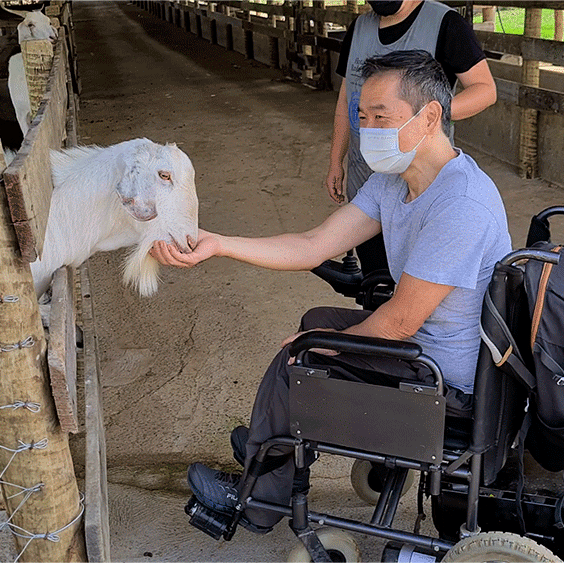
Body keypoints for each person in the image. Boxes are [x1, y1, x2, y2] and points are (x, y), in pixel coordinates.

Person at [150, 50, 511, 533]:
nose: (368, 130)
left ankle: (259, 497)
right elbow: (314, 244)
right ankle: (272, 441)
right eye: (362, 117)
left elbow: (400, 322)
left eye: (382, 117)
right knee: (314, 322)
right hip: (424, 343)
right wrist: (219, 244)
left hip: (446, 376)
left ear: (430, 117)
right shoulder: (397, 181)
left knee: (299, 356)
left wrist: (317, 346)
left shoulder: (460, 204)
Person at [326, 0, 498, 277]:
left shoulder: (445, 24)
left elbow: (485, 90)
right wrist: (336, 159)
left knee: (416, 286)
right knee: (375, 281)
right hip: (366, 178)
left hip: (420, 183)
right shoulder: (359, 27)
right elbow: (347, 99)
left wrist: (426, 119)